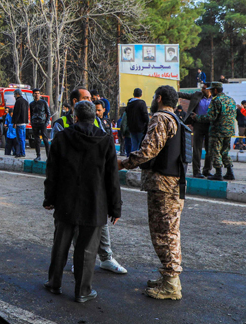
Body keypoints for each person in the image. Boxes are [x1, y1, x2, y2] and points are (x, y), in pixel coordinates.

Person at [43, 100, 122, 303]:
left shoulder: (61, 138)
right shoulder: (105, 141)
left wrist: (49, 198)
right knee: (87, 250)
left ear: (75, 117)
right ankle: (82, 291)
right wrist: (116, 208)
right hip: (94, 205)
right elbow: (112, 178)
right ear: (95, 117)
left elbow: (52, 172)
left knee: (60, 244)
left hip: (65, 201)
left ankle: (54, 283)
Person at [119, 85, 185, 300]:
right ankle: (169, 278)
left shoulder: (160, 118)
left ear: (158, 98)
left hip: (163, 185)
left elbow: (148, 151)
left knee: (163, 233)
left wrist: (124, 163)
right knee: (168, 231)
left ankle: (171, 284)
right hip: (173, 184)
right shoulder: (176, 119)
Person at [192, 82, 237, 181]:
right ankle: (230, 172)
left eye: (212, 90)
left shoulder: (216, 100)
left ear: (215, 90)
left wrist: (197, 117)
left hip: (217, 131)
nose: (211, 92)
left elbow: (210, 117)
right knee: (225, 152)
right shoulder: (231, 100)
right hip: (229, 130)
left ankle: (218, 173)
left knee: (215, 151)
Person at [178, 83, 212, 178]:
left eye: (204, 88)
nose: (202, 90)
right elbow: (184, 95)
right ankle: (196, 171)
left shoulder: (215, 98)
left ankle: (207, 170)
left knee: (210, 149)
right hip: (198, 124)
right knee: (197, 149)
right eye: (202, 88)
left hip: (210, 125)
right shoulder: (197, 94)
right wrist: (173, 92)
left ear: (210, 89)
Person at [29, 88, 51, 161]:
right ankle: (38, 156)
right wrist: (32, 122)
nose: (37, 95)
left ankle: (49, 156)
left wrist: (46, 123)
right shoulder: (31, 104)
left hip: (42, 123)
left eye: (38, 93)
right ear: (33, 94)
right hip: (35, 123)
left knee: (45, 140)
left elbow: (48, 114)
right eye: (35, 93)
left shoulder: (44, 103)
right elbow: (31, 114)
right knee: (36, 140)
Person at [126, 88, 149, 152]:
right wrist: (147, 124)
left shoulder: (129, 104)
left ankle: (133, 159)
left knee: (134, 145)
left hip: (131, 128)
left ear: (133, 94)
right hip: (141, 128)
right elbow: (145, 116)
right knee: (141, 145)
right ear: (141, 95)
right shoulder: (142, 103)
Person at [11, 90, 29, 157]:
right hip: (24, 123)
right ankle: (22, 152)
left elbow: (17, 113)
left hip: (19, 123)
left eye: (15, 94)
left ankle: (21, 153)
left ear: (17, 94)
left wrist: (14, 122)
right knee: (23, 139)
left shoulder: (18, 101)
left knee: (19, 139)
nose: (14, 96)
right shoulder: (25, 101)